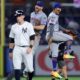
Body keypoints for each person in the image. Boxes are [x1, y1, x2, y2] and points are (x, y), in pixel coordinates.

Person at [46, 2, 74, 79]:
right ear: (54, 9)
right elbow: (51, 26)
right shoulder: (53, 15)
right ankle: (66, 52)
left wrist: (64, 30)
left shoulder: (53, 15)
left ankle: (55, 71)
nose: (59, 10)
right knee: (70, 37)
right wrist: (51, 37)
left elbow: (56, 25)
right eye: (58, 9)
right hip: (53, 34)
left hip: (51, 34)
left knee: (54, 55)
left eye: (60, 9)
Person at [9, 10, 35, 80]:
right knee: (16, 67)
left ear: (23, 16)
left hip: (27, 48)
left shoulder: (28, 25)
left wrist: (30, 47)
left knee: (30, 69)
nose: (18, 17)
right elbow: (11, 40)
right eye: (17, 16)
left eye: (19, 16)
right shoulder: (13, 26)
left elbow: (32, 37)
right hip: (17, 48)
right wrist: (10, 51)